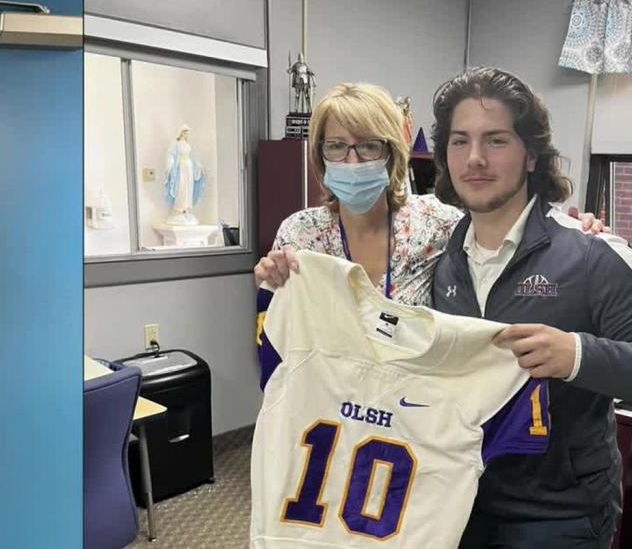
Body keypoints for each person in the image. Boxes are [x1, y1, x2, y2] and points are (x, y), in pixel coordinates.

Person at [429, 66, 632, 548]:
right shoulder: (440, 263)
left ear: (531, 155)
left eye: (496, 140)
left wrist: (577, 355)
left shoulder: (594, 256)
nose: (475, 158)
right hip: (459, 500)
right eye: (460, 142)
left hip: (560, 515)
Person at [253, 82, 604, 306]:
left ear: (392, 154)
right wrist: (272, 281)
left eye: (369, 146)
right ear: (319, 155)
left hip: (415, 412)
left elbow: (507, 231)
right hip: (335, 411)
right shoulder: (299, 234)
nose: (352, 160)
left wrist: (576, 230)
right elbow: (280, 334)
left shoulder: (437, 222)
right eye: (336, 146)